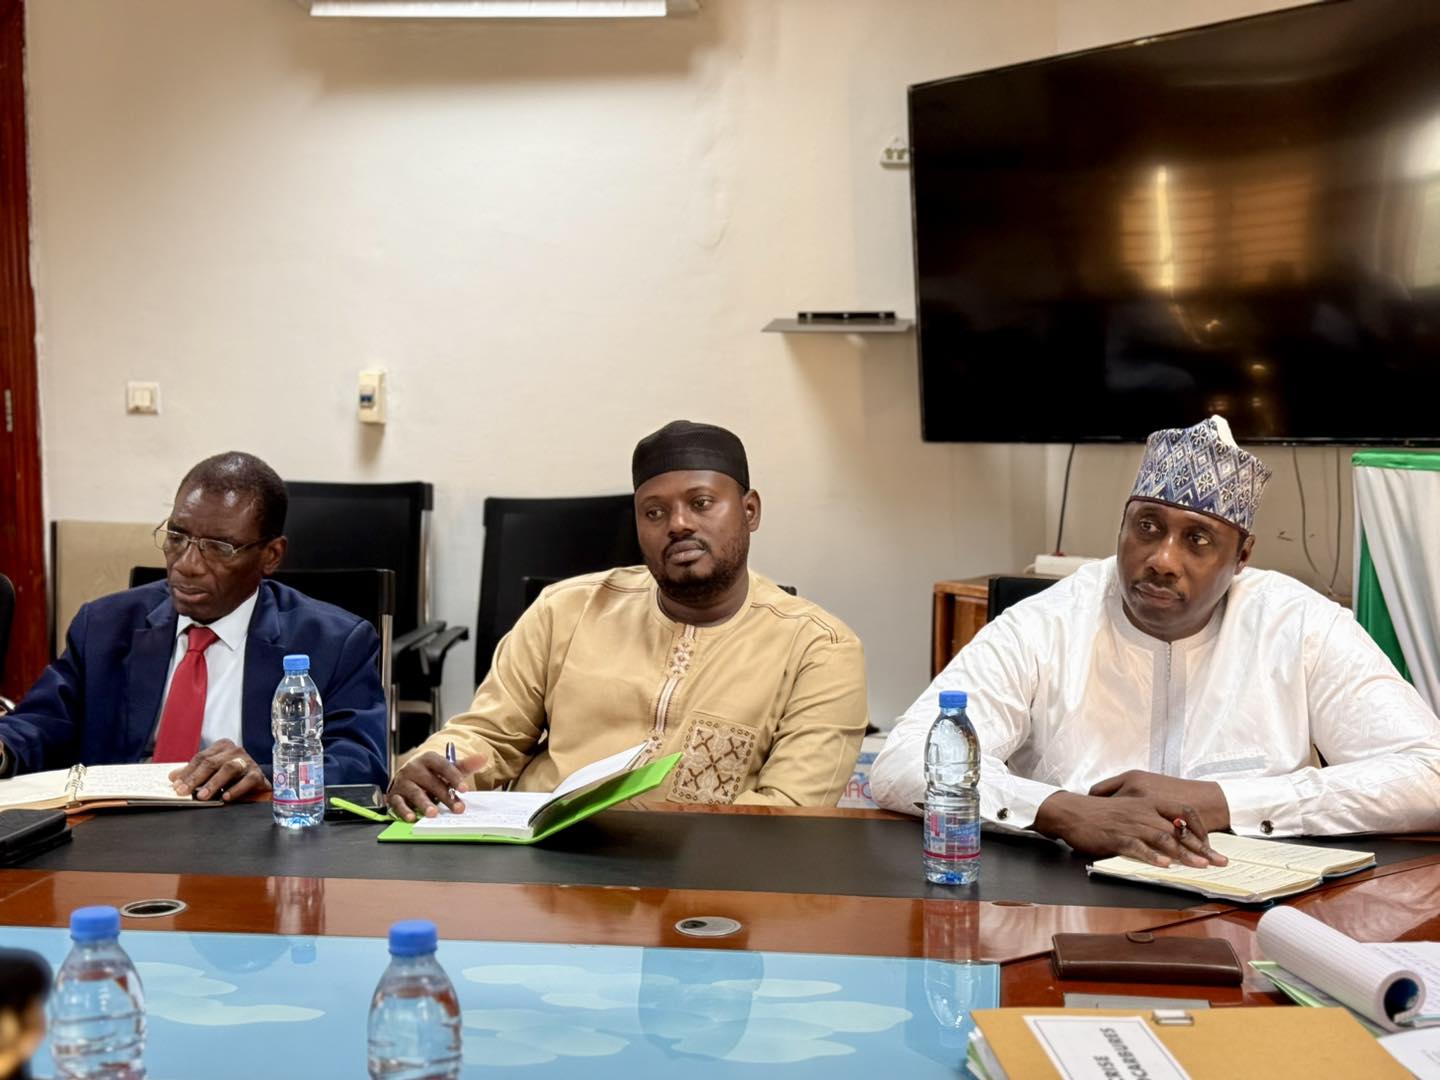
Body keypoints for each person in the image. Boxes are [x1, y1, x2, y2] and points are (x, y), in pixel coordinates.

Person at [871, 416, 1440, 866]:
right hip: (1063, 903)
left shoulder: (1299, 624)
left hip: (1249, 912)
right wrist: (1056, 809)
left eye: (1198, 540)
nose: (1163, 559)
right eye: (1147, 527)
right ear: (1122, 526)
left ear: (1242, 556)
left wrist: (1224, 801)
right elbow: (902, 761)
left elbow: (1429, 774)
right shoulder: (1047, 622)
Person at [387, 420, 868, 819]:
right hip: (544, 868)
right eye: (654, 512)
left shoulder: (818, 649)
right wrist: (436, 765)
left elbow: (789, 814)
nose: (678, 524)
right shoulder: (565, 610)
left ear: (750, 511)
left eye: (701, 503)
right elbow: (488, 735)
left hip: (707, 882)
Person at [0, 452, 388, 796]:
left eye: (218, 547)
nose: (186, 564)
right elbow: (42, 721)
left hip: (246, 831)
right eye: (177, 537)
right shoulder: (104, 626)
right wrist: (3, 748)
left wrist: (267, 775)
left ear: (271, 555)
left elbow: (361, 762)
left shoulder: (334, 643)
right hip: (111, 828)